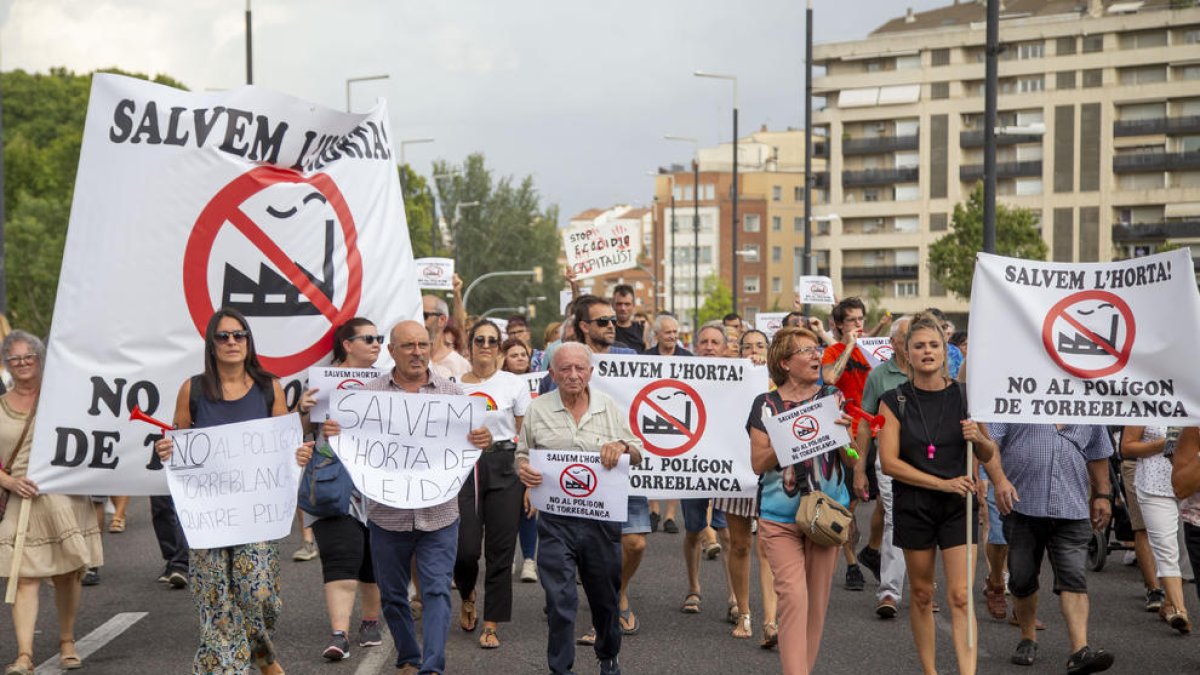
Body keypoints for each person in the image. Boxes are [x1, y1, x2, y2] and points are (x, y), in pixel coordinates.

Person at [323, 320, 491, 675]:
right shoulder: (367, 398)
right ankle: (408, 657)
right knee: (395, 597)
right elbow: (346, 447)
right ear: (391, 352)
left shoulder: (453, 395)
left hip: (439, 514)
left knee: (436, 593)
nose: (417, 352)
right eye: (408, 346)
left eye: (423, 345)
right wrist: (336, 434)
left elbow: (471, 442)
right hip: (387, 515)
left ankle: (430, 667)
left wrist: (481, 441)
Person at [154, 308, 314, 675]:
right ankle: (227, 668)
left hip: (255, 514)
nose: (231, 342)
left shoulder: (267, 386)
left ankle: (262, 653)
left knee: (257, 595)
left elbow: (283, 442)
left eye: (239, 335)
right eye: (223, 336)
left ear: (248, 341)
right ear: (211, 344)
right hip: (208, 517)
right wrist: (166, 449)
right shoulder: (192, 389)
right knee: (215, 601)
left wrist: (298, 453)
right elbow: (178, 444)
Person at [878, 313, 995, 675]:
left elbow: (989, 454)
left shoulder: (966, 397)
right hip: (915, 504)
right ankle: (930, 671)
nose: (927, 352)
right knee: (923, 595)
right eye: (919, 346)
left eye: (933, 345)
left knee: (961, 597)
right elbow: (890, 463)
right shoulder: (892, 400)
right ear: (906, 353)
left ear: (945, 352)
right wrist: (941, 483)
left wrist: (980, 440)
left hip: (959, 506)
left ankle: (967, 671)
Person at [516, 342, 642, 675]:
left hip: (600, 523)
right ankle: (560, 668)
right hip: (556, 521)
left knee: (604, 600)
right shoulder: (538, 409)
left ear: (590, 371)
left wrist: (622, 446)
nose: (573, 376)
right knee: (559, 602)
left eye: (579, 369)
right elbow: (522, 455)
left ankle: (608, 655)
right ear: (552, 373)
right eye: (565, 369)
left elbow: (639, 451)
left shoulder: (608, 407)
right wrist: (524, 471)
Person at [748, 326, 854, 674]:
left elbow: (851, 459)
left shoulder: (832, 396)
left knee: (817, 602)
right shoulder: (765, 405)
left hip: (825, 515)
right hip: (780, 516)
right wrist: (788, 437)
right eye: (806, 351)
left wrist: (845, 436)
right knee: (793, 597)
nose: (815, 355)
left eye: (816, 349)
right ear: (784, 362)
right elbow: (758, 464)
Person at [0, 330, 103, 675]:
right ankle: (24, 655)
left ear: (40, 357)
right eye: (15, 358)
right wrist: (9, 481)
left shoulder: (65, 397)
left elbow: (93, 434)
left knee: (66, 573)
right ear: (6, 364)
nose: (23, 363)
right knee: (24, 576)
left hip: (65, 497)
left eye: (28, 356)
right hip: (20, 497)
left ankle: (67, 640)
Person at [988, 417, 1115, 672]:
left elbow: (1098, 452)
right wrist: (999, 480)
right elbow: (989, 444)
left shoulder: (1086, 401)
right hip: (1022, 504)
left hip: (1072, 507)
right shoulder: (1018, 395)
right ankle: (1027, 637)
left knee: (1073, 576)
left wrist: (1102, 494)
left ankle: (1080, 649)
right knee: (1022, 577)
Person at [304, 318, 385, 661]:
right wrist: (304, 412)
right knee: (340, 554)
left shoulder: (388, 382)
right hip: (333, 478)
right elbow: (302, 433)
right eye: (369, 338)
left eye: (379, 338)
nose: (377, 343)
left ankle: (370, 621)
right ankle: (340, 633)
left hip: (378, 480)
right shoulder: (320, 383)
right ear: (347, 344)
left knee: (374, 558)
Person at [566, 296, 646, 643]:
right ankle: (605, 608)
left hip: (625, 462)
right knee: (592, 548)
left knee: (635, 543)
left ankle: (617, 592)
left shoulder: (630, 358)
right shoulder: (566, 356)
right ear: (584, 326)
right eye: (602, 321)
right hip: (582, 468)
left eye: (613, 319)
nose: (612, 325)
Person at [453, 320, 531, 649]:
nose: (485, 345)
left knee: (500, 551)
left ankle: (491, 622)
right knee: (465, 549)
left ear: (499, 348)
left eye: (491, 340)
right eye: (479, 340)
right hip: (464, 468)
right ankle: (468, 592)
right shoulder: (452, 385)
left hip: (505, 466)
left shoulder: (513, 384)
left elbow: (526, 437)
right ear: (469, 347)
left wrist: (529, 481)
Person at [853, 316, 910, 618]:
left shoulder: (933, 370)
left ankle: (924, 586)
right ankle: (889, 591)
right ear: (894, 344)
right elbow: (865, 422)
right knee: (894, 517)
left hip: (928, 458)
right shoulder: (879, 376)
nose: (915, 341)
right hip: (889, 458)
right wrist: (859, 468)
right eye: (907, 336)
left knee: (923, 520)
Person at [679, 324, 732, 615]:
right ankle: (693, 588)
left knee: (727, 533)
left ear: (725, 347)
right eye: (704, 342)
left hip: (726, 463)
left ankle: (735, 597)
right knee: (694, 529)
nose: (709, 347)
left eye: (715, 342)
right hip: (692, 463)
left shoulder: (739, 377)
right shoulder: (686, 377)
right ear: (695, 346)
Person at [820, 296, 871, 590]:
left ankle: (872, 548)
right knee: (848, 503)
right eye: (851, 320)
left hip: (876, 430)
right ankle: (852, 562)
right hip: (847, 433)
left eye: (861, 319)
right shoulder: (833, 351)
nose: (858, 325)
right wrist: (849, 345)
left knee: (884, 502)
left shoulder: (873, 350)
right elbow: (829, 378)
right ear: (839, 325)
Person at [1122, 426, 1189, 632]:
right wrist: (1166, 443)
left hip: (1191, 482)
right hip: (1155, 484)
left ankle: (1169, 601)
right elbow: (1127, 447)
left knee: (1185, 549)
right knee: (1165, 547)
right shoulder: (1147, 400)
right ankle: (1180, 610)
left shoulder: (1192, 401)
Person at [641, 314, 686, 535]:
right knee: (652, 461)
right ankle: (653, 510)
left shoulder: (688, 357)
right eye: (668, 332)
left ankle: (670, 515)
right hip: (651, 414)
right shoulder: (645, 357)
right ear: (657, 334)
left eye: (675, 332)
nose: (672, 336)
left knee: (674, 465)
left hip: (680, 417)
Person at [500, 337, 538, 583]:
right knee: (505, 510)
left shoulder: (541, 382)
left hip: (532, 450)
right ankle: (508, 557)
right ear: (504, 359)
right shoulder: (499, 385)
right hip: (504, 453)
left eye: (523, 354)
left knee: (528, 508)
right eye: (514, 355)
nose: (520, 358)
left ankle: (529, 561)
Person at [424, 295, 470, 379]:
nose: (418, 319)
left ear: (442, 320)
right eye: (416, 314)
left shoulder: (461, 365)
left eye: (424, 315)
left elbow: (460, 326)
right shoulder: (404, 360)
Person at [611, 284, 646, 352]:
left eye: (627, 304)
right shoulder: (606, 327)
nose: (623, 308)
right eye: (619, 304)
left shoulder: (642, 329)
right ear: (613, 305)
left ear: (633, 305)